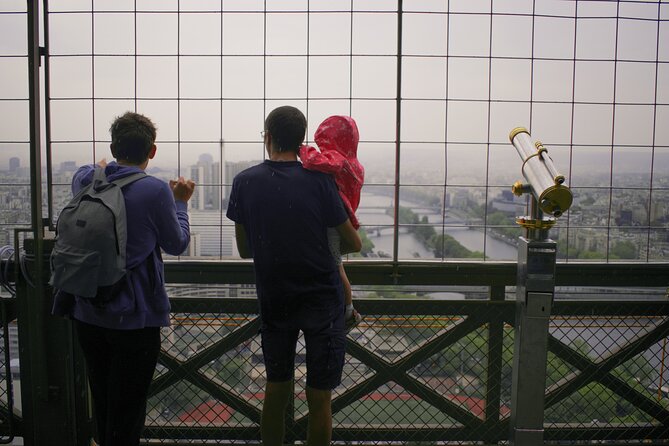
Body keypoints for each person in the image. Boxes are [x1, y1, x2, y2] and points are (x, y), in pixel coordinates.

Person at [52, 111, 195, 446]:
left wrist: (102, 165)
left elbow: (88, 170)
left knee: (102, 400)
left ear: (113, 145)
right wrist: (181, 204)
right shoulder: (155, 191)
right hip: (134, 317)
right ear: (153, 151)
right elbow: (176, 243)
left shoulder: (88, 180)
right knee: (127, 408)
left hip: (86, 309)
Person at [226, 106, 362, 446]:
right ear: (301, 140)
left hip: (276, 297)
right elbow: (352, 242)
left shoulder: (244, 182)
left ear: (268, 137)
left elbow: (245, 250)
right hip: (322, 299)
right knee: (319, 399)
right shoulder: (319, 181)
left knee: (276, 391)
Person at [299, 115, 365, 333]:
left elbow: (312, 162)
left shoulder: (337, 159)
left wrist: (303, 149)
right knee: (336, 262)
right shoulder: (355, 163)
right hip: (344, 217)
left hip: (332, 220)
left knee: (336, 265)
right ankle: (347, 308)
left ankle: (348, 311)